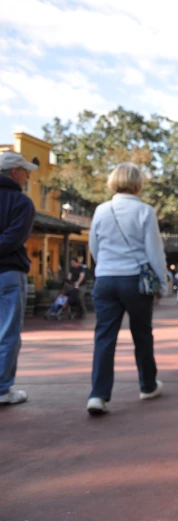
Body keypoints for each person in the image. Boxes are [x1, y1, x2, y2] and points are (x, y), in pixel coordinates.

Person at [86, 163, 167, 415]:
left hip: (106, 278)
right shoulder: (145, 211)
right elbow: (154, 251)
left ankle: (98, 395)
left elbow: (93, 246)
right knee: (142, 333)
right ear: (137, 183)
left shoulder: (101, 210)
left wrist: (106, 268)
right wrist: (162, 283)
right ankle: (147, 385)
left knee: (104, 336)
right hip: (135, 280)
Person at [0, 152, 36, 406]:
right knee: (8, 331)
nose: (28, 175)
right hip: (8, 272)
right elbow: (14, 238)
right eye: (25, 171)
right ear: (15, 173)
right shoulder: (21, 202)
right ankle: (2, 388)